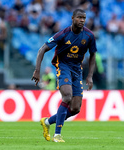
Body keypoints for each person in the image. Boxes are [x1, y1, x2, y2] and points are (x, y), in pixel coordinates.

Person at [31, 9, 97, 142]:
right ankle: (57, 135)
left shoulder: (89, 36)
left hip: (77, 70)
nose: (82, 20)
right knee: (67, 96)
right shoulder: (63, 34)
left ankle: (48, 122)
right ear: (73, 18)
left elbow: (93, 54)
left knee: (75, 109)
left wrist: (89, 76)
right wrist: (37, 70)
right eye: (79, 17)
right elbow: (42, 49)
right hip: (63, 66)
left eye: (84, 18)